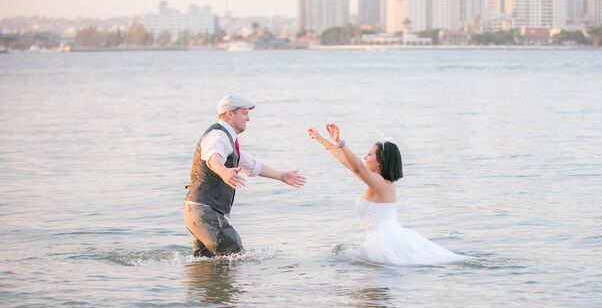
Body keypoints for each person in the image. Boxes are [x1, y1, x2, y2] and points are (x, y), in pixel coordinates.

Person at [307, 124, 466, 266]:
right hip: (387, 239)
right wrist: (321, 139)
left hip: (384, 243)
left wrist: (340, 142)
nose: (365, 158)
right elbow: (347, 162)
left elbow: (357, 168)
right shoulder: (381, 182)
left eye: (369, 154)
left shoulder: (381, 184)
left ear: (380, 162)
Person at [184, 95, 305, 257]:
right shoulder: (217, 136)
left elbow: (253, 165)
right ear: (230, 114)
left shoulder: (229, 141)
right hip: (206, 213)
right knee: (236, 257)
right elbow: (213, 156)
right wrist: (223, 171)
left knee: (206, 266)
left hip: (198, 213)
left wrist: (283, 176)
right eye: (245, 113)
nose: (248, 119)